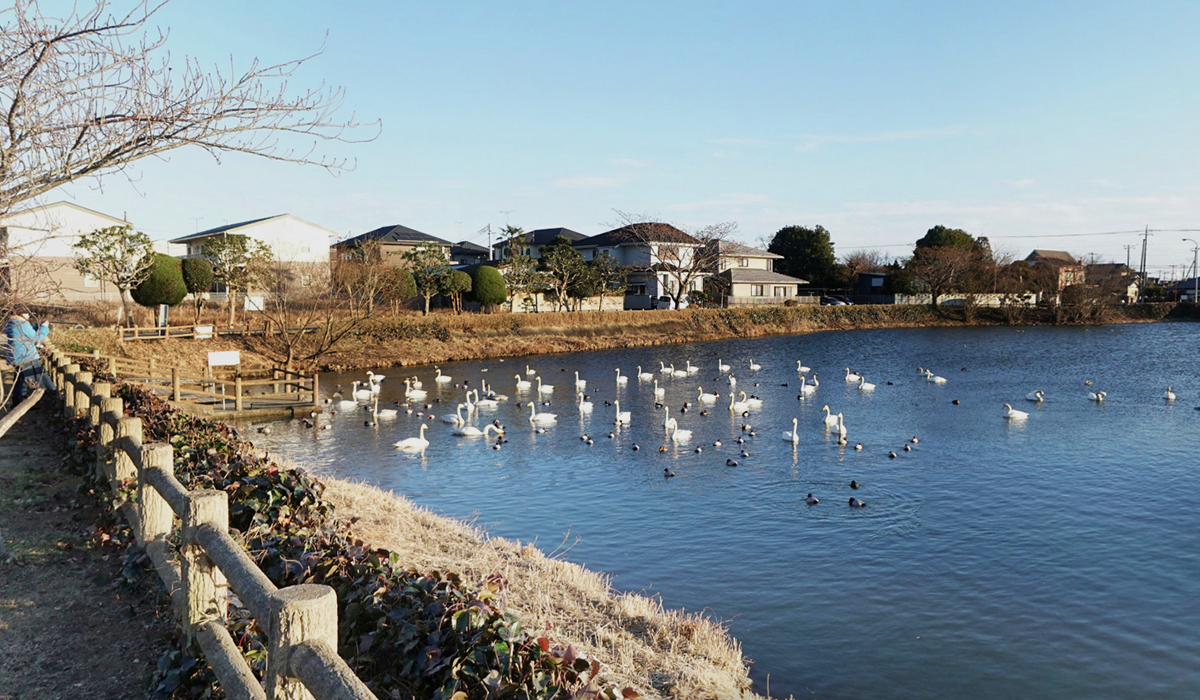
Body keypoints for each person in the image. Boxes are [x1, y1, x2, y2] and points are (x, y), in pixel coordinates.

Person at [5, 313, 53, 402]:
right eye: (27, 314)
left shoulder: (13, 322)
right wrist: (45, 327)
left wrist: (37, 326)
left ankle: (18, 400)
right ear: (21, 313)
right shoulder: (22, 324)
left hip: (17, 355)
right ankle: (47, 395)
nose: (29, 315)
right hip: (25, 355)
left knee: (20, 379)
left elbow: (27, 334)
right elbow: (37, 337)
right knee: (36, 377)